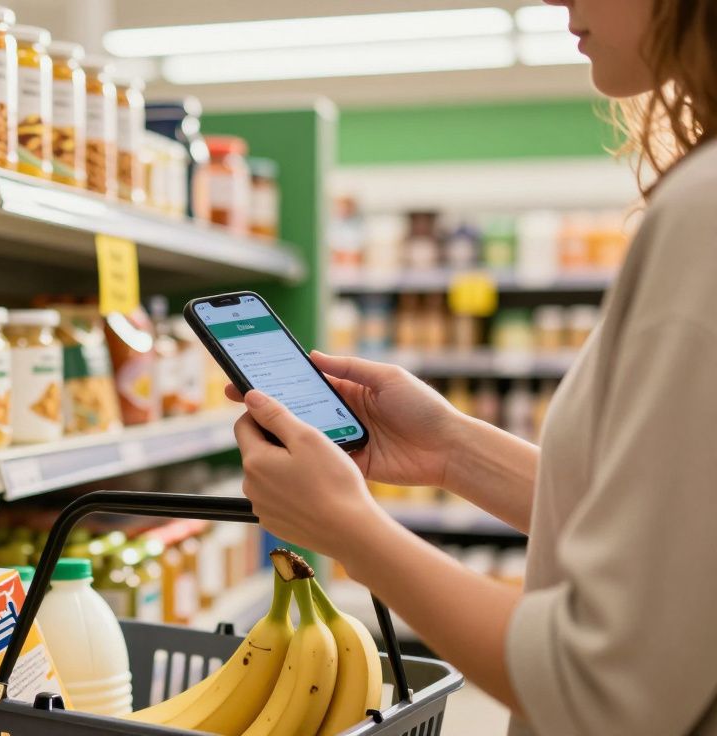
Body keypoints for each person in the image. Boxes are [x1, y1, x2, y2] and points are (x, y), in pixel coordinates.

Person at [230, 1, 717, 734]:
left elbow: (603, 686)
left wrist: (350, 530)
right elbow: (677, 545)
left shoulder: (704, 210)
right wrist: (453, 448)